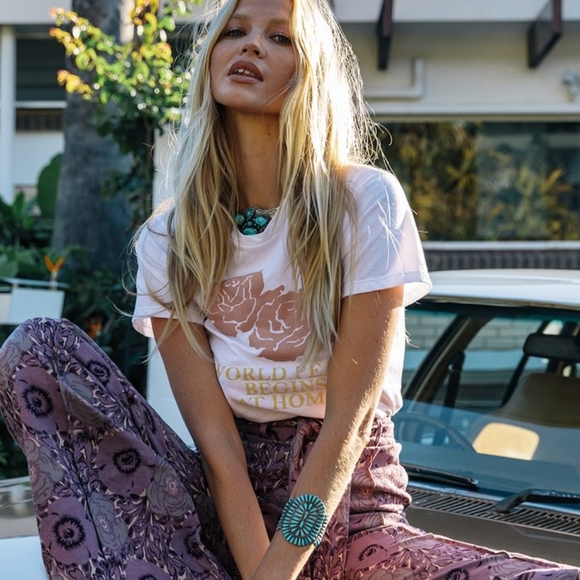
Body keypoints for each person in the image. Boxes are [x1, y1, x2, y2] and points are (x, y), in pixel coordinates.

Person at [0, 0, 579, 579]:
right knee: (38, 345)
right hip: (223, 516)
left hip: (351, 512)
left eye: (280, 38)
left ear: (311, 73)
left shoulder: (365, 203)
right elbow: (218, 449)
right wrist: (262, 568)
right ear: (211, 58)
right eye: (234, 31)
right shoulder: (171, 237)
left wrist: (278, 570)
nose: (251, 44)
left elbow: (348, 426)